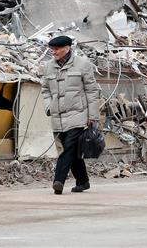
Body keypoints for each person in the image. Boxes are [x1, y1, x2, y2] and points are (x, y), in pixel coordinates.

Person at [40, 35, 100, 195]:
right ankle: (83, 181)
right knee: (72, 151)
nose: (54, 52)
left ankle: (58, 181)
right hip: (57, 116)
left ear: (67, 48)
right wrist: (48, 107)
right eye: (53, 49)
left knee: (69, 148)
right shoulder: (48, 67)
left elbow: (92, 91)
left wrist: (93, 116)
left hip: (78, 115)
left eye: (57, 49)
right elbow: (45, 90)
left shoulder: (82, 64)